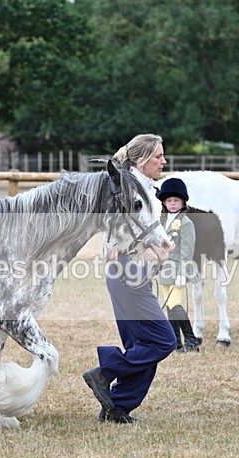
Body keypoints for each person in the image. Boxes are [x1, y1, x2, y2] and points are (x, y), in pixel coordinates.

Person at [83, 134, 177, 423]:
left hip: (131, 271)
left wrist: (158, 248)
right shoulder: (132, 189)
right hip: (128, 271)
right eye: (158, 156)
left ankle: (117, 407)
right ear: (141, 160)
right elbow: (113, 225)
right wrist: (119, 251)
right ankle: (104, 371)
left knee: (143, 344)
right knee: (163, 340)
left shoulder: (141, 187)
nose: (164, 161)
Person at [157, 177, 201, 352]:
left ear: (182, 202)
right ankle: (176, 342)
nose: (172, 203)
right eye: (169, 200)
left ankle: (191, 340)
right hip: (165, 269)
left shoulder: (186, 223)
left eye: (176, 200)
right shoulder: (161, 221)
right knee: (169, 305)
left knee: (176, 303)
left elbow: (187, 250)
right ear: (164, 202)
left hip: (178, 269)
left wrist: (182, 273)